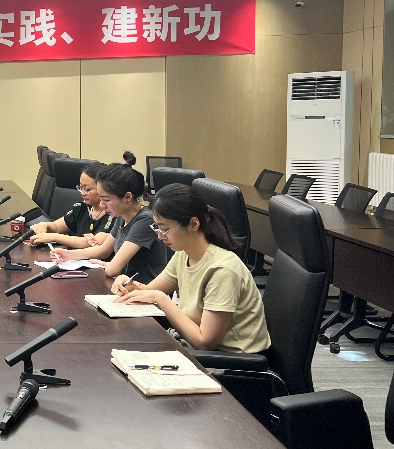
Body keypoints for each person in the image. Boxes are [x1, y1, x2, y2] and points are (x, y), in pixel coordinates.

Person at [111, 183, 270, 353]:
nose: (160, 236)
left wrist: (162, 299)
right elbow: (150, 291)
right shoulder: (183, 253)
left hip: (231, 361)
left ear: (194, 224)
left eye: (165, 229)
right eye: (156, 227)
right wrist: (128, 284)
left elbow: (204, 342)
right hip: (196, 350)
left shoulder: (223, 270)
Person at [51, 151, 168, 282]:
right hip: (124, 286)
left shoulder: (145, 220)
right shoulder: (122, 215)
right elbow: (103, 251)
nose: (102, 204)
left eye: (106, 200)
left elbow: (113, 270)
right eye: (100, 199)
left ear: (127, 197)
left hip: (143, 290)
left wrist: (109, 265)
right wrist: (68, 254)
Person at [26, 162, 116, 249]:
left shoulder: (113, 214)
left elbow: (93, 243)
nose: (82, 193)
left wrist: (53, 237)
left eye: (88, 189)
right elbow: (56, 226)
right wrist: (45, 226)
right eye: (81, 187)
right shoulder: (82, 207)